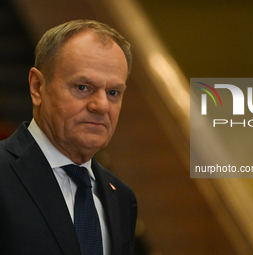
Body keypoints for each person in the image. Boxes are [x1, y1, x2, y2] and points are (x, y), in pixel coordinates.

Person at [0, 20, 137, 255]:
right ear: (37, 87)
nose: (102, 105)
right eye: (83, 87)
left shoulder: (122, 198)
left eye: (113, 92)